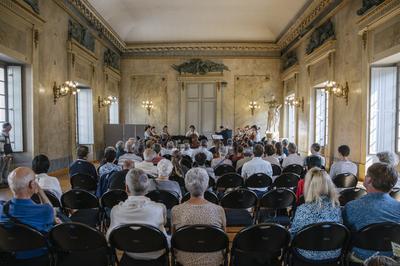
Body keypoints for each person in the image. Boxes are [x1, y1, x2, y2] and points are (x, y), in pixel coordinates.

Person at [106, 168, 168, 264]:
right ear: (148, 188)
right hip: (156, 257)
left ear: (126, 188)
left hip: (130, 255)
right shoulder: (160, 208)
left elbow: (109, 238)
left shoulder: (116, 210)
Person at [343, 162, 400, 262]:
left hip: (360, 257)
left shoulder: (351, 207)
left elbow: (345, 235)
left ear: (368, 180)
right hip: (393, 257)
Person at [171, 168, 226, 266]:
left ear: (187, 186)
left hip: (185, 260)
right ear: (206, 185)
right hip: (213, 260)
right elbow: (223, 240)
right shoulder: (219, 210)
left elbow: (174, 239)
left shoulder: (176, 210)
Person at [0, 167, 55, 261]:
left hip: (8, 256)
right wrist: (40, 191)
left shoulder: (1, 207)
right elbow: (52, 211)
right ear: (32, 184)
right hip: (38, 257)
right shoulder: (45, 210)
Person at [290, 167, 342, 261]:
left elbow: (293, 236)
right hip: (333, 254)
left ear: (308, 186)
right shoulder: (337, 208)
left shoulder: (303, 209)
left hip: (306, 255)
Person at [0, 122, 13, 186]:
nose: (11, 127)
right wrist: (3, 155)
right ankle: (1, 182)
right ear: (6, 127)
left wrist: (10, 153)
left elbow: (8, 145)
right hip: (4, 155)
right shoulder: (2, 135)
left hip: (8, 154)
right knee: (2, 168)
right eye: (9, 126)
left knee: (7, 168)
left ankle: (5, 181)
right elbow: (1, 146)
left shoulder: (7, 134)